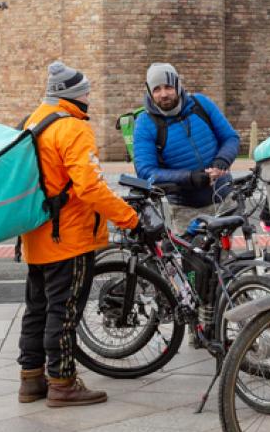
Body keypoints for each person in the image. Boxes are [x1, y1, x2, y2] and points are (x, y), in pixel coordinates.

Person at [19, 61, 146, 407]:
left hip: (35, 234)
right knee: (64, 310)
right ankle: (62, 383)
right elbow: (90, 187)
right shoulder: (73, 128)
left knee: (37, 309)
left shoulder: (36, 119)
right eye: (86, 91)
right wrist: (129, 218)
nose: (89, 96)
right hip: (69, 238)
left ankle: (31, 380)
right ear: (74, 94)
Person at [133, 63, 240, 230]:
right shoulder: (145, 123)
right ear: (149, 91)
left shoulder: (201, 104)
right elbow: (145, 171)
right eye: (157, 89)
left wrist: (222, 160)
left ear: (177, 84)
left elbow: (230, 137)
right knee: (193, 255)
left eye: (168, 87)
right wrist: (189, 177)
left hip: (223, 198)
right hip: (185, 208)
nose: (163, 94)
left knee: (225, 255)